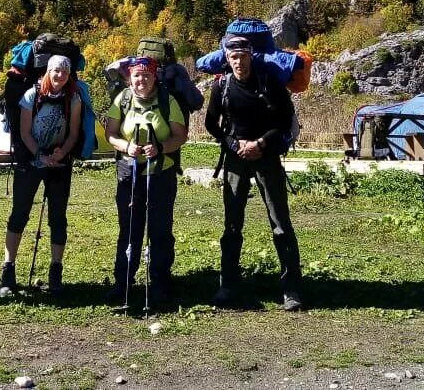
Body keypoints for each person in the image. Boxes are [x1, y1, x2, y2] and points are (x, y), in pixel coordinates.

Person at [205, 34, 303, 310]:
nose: (239, 62)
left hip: (267, 156)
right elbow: (212, 123)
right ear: (227, 58)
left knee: (280, 222)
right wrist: (235, 144)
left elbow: (284, 121)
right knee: (232, 224)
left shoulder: (269, 82)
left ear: (251, 56)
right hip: (236, 158)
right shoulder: (221, 86)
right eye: (233, 57)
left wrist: (260, 144)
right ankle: (228, 286)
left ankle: (291, 289)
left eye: (243, 57)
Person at [104, 56, 187, 309]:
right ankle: (124, 283)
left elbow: (180, 136)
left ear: (155, 77)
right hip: (129, 173)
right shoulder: (123, 99)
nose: (141, 80)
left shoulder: (167, 100)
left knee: (160, 229)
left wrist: (160, 148)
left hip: (161, 174)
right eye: (136, 76)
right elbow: (111, 133)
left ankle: (160, 283)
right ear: (130, 78)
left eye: (146, 76)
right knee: (129, 229)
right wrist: (126, 146)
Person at [0, 54, 81, 296]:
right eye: (56, 71)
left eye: (64, 73)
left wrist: (61, 153)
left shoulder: (73, 98)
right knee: (19, 214)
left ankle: (56, 270)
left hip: (60, 163)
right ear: (47, 71)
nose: (60, 76)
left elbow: (74, 134)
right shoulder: (31, 95)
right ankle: (8, 269)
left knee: (58, 217)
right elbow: (24, 133)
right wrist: (40, 155)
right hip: (31, 161)